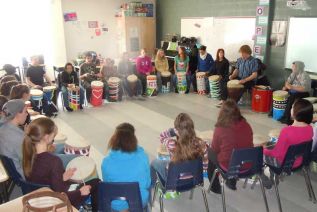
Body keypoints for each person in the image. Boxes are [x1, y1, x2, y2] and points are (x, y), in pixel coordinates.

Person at [22, 117, 100, 210]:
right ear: (47, 137)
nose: (54, 138)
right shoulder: (54, 161)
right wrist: (80, 192)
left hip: (39, 197)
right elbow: (60, 195)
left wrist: (62, 177)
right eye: (53, 136)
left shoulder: (28, 156)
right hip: (56, 202)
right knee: (96, 182)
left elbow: (43, 180)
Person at [101, 123, 151, 211]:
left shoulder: (106, 162)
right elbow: (147, 183)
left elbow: (107, 183)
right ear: (133, 138)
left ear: (115, 139)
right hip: (137, 203)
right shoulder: (143, 157)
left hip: (116, 205)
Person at [207, 99, 254, 193]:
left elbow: (215, 149)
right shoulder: (246, 125)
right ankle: (231, 181)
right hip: (248, 164)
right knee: (234, 153)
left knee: (211, 154)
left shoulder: (220, 128)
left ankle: (215, 188)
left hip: (230, 166)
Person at [151, 113, 208, 183]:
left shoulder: (172, 144)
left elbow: (162, 136)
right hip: (194, 179)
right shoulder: (202, 144)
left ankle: (152, 185)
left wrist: (171, 131)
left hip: (175, 181)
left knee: (154, 162)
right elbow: (205, 166)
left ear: (177, 131)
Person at [264, 99, 313, 169]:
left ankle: (262, 178)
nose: (291, 109)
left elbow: (276, 154)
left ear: (296, 112)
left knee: (258, 154)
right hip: (299, 161)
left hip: (283, 163)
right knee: (271, 144)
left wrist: (262, 150)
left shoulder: (287, 131)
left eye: (292, 107)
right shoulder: (310, 128)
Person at [0, 100, 28, 177]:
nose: (27, 114)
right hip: (24, 173)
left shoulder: (2, 126)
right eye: (25, 111)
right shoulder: (19, 138)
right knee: (60, 157)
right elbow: (29, 160)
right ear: (17, 114)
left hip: (11, 170)